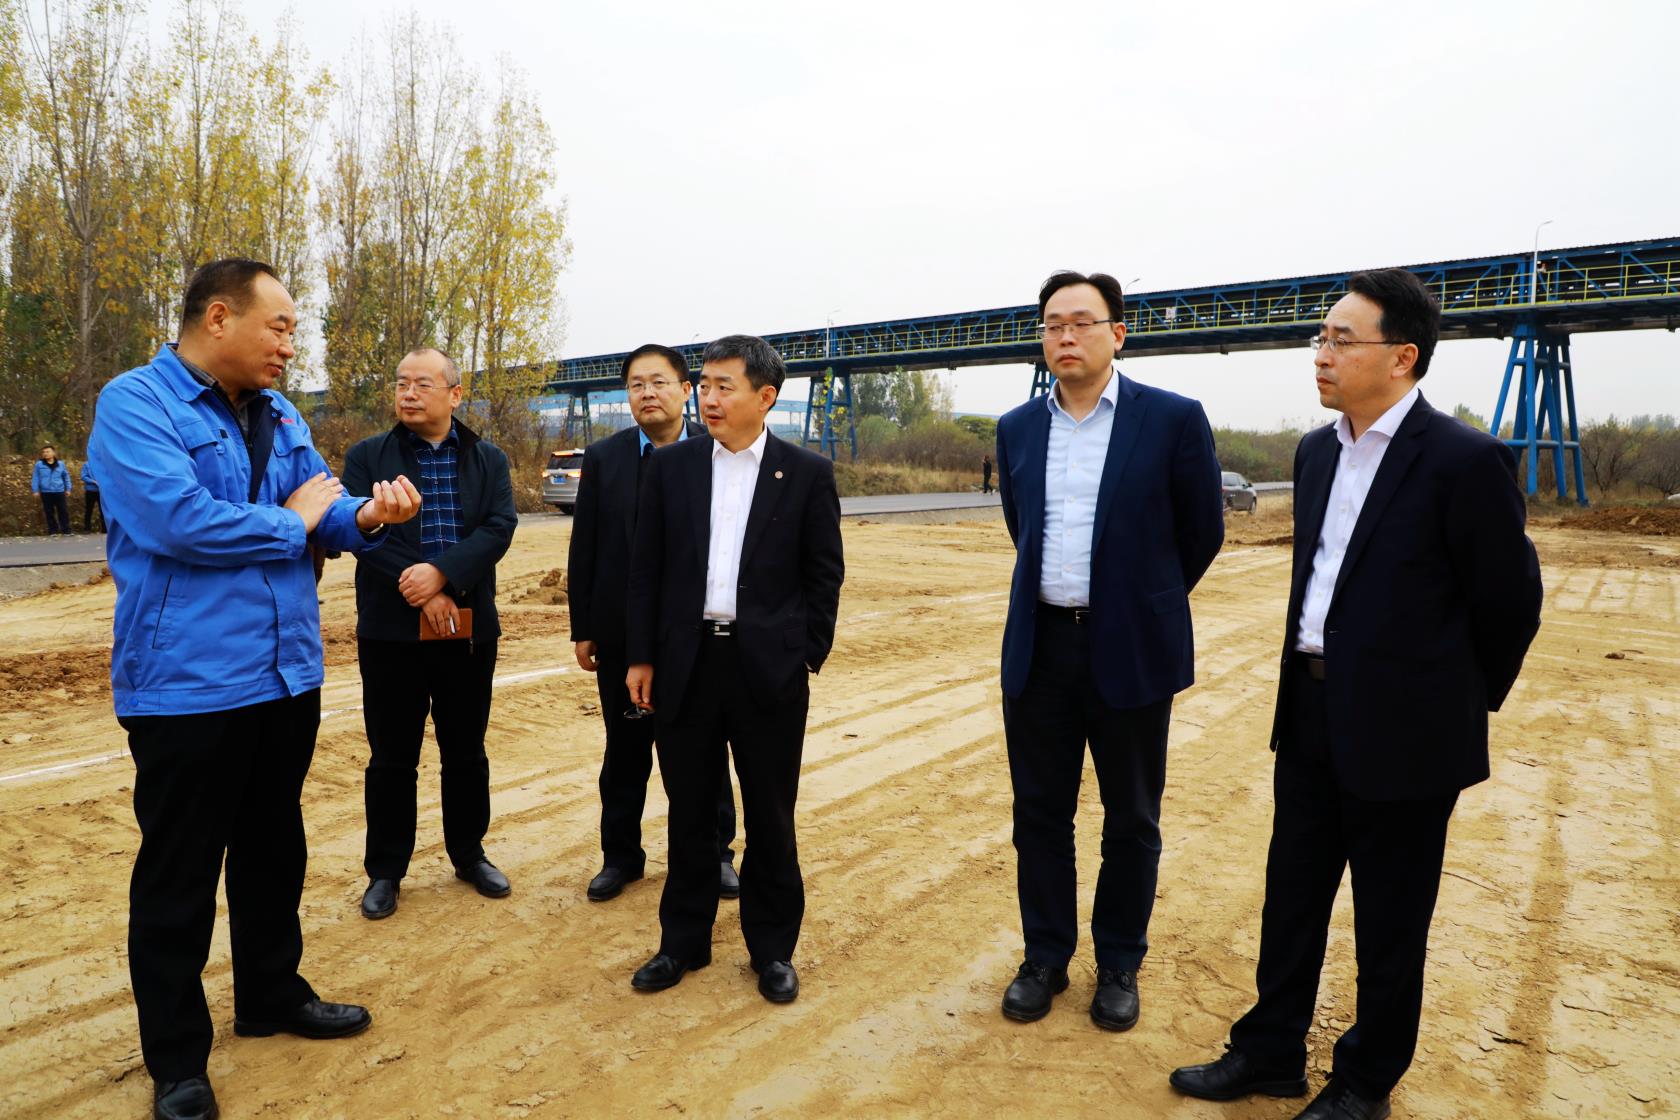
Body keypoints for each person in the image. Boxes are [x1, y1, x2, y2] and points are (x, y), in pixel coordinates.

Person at [1169, 269, 1543, 1120]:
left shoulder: (1464, 461)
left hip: (1410, 733)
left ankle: (1366, 1081)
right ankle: (1269, 1051)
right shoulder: (1316, 452)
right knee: (1291, 895)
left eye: (1342, 339)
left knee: (1390, 918)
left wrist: (1452, 706)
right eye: (1320, 338)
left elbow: (1510, 603)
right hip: (1309, 711)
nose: (1322, 354)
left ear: (1402, 357)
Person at [87, 258, 422, 1120]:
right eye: (278, 327)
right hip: (188, 684)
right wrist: (293, 520)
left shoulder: (279, 412)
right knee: (180, 874)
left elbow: (327, 506)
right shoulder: (136, 404)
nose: (288, 345)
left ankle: (272, 993)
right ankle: (178, 1059)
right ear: (218, 318)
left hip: (284, 672)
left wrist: (367, 516)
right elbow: (178, 522)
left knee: (275, 849)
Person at [993, 271, 1223, 1030]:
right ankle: (1045, 957)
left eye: (1082, 323)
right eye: (1052, 324)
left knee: (1131, 817)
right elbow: (1022, 526)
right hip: (1041, 647)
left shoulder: (1172, 419)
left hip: (1129, 650)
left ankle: (1119, 962)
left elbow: (1201, 532)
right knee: (1040, 815)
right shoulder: (1018, 428)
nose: (1065, 336)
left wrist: (1141, 602)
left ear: (1117, 334)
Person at [624, 334, 844, 1004]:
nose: (709, 399)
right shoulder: (674, 468)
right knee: (690, 812)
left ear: (765, 396)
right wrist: (642, 655)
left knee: (771, 815)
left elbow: (824, 576)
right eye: (705, 385)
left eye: (726, 386)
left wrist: (801, 653)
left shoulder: (805, 474)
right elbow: (646, 569)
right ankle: (682, 943)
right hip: (686, 665)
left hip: (767, 672)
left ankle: (772, 950)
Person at [343, 347, 519, 921]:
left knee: (465, 751)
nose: (409, 393)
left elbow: (499, 527)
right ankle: (386, 870)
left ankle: (469, 854)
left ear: (455, 394)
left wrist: (443, 575)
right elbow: (359, 530)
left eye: (422, 383)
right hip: (391, 632)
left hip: (466, 631)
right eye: (401, 383)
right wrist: (421, 585)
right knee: (391, 757)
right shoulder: (368, 456)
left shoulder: (488, 459)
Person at [568, 342, 739, 903]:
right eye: (636, 384)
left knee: (706, 751)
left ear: (686, 390)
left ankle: (716, 855)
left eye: (659, 382)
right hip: (623, 633)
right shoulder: (606, 457)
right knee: (625, 751)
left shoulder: (718, 451)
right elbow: (586, 545)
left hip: (698, 635)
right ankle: (620, 857)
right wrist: (584, 625)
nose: (647, 393)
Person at [31, 445, 72, 534]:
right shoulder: (39, 464)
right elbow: (35, 477)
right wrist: (35, 490)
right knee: (49, 512)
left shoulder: (61, 464)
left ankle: (66, 530)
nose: (45, 454)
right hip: (46, 492)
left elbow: (66, 476)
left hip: (59, 491)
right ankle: (53, 530)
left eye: (48, 451)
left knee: (63, 511)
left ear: (53, 453)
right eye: (44, 452)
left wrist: (68, 488)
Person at [80, 457, 104, 533]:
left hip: (101, 491)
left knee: (103, 510)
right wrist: (93, 481)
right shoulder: (86, 464)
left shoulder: (102, 464)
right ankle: (87, 529)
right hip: (90, 491)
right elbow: (83, 476)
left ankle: (105, 529)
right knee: (89, 510)